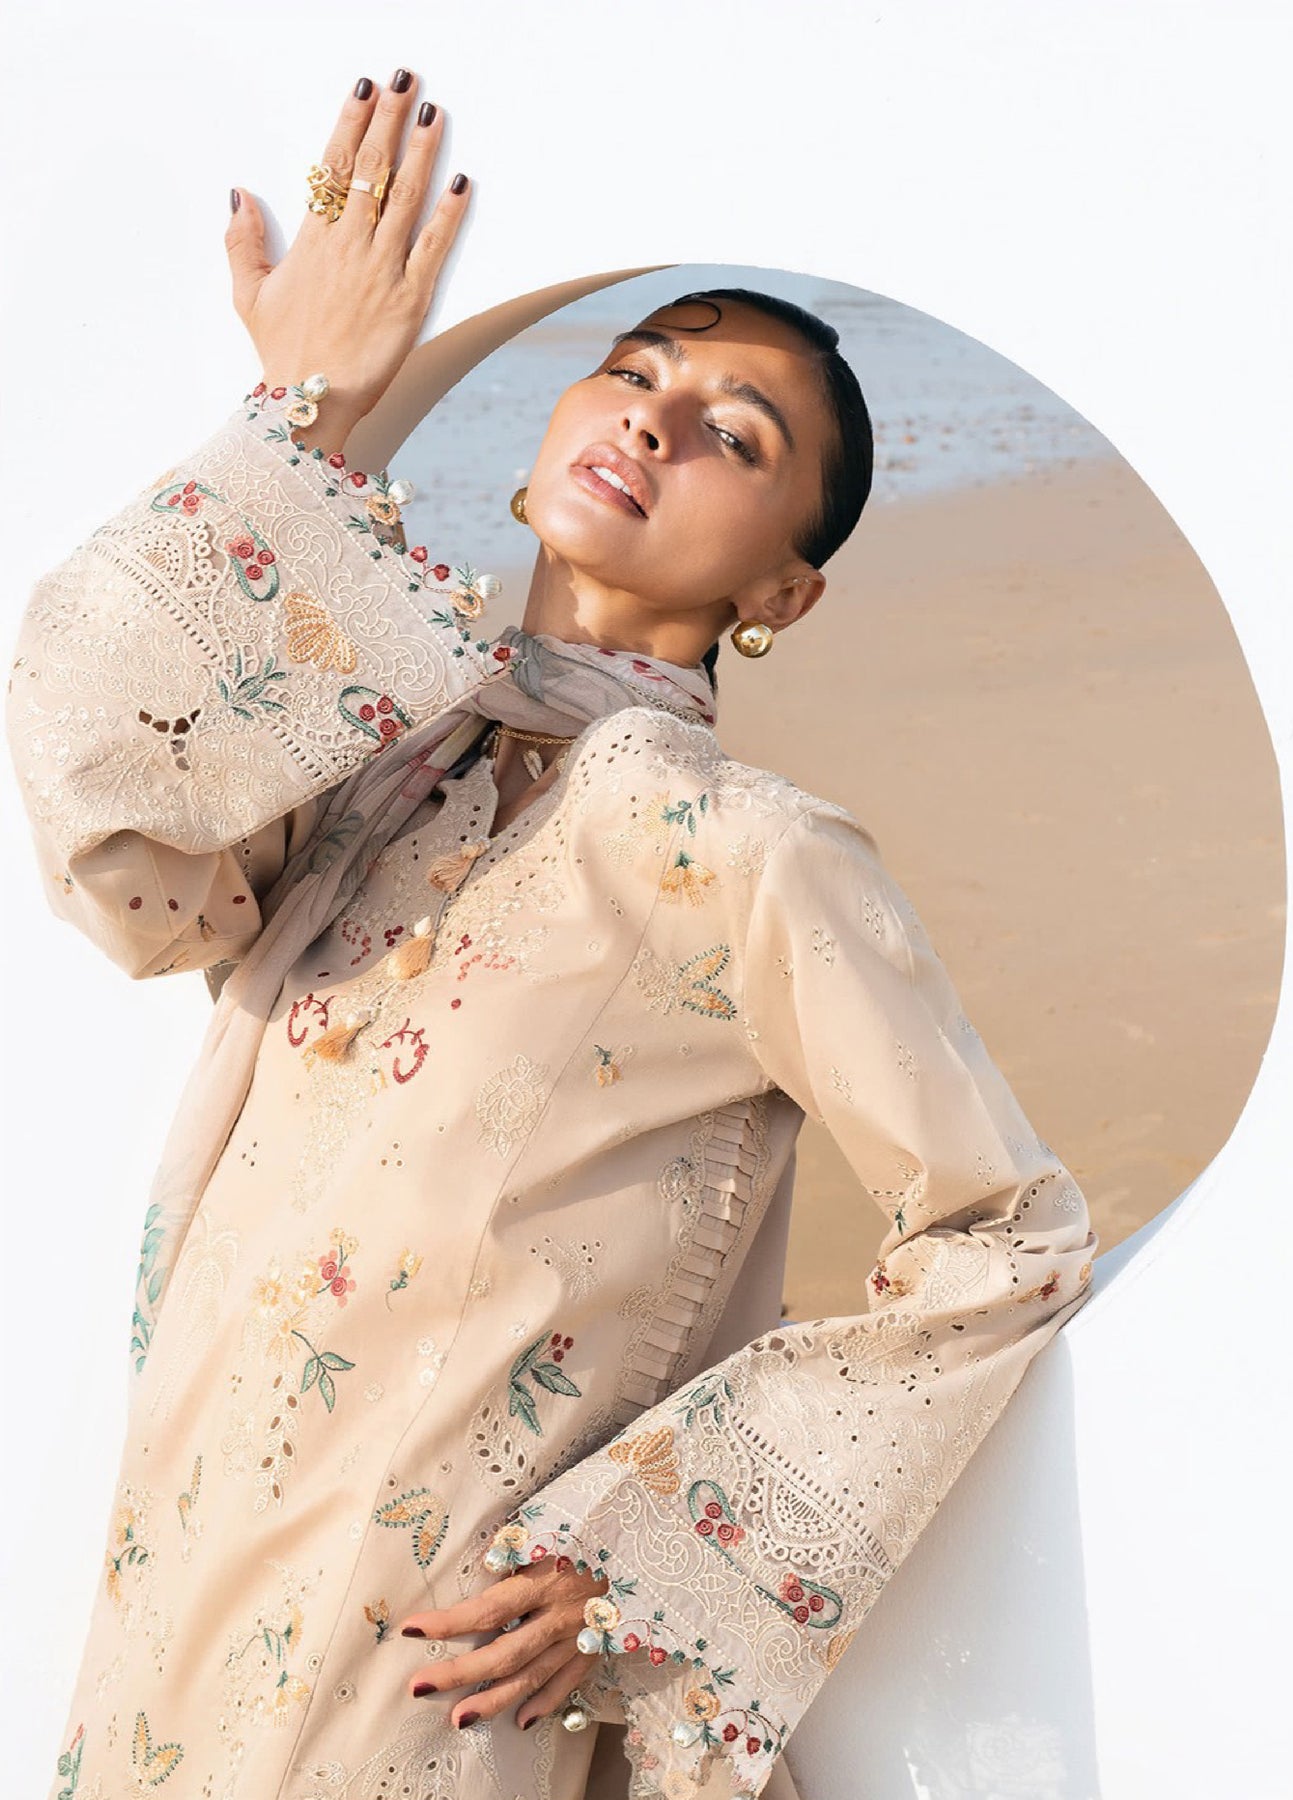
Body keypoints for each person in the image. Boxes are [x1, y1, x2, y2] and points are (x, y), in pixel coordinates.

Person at [6, 64, 1098, 1800]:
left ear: (781, 592)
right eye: (636, 370)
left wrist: (648, 1558)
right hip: (172, 1608)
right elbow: (106, 815)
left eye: (739, 434)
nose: (659, 422)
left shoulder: (737, 846)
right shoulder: (369, 772)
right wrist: (302, 407)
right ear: (543, 443)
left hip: (432, 1670)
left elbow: (1005, 1238)